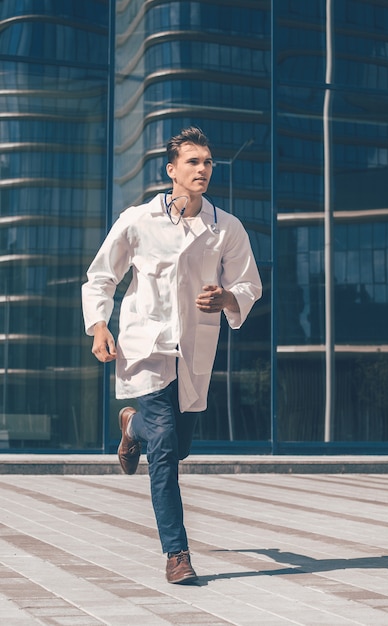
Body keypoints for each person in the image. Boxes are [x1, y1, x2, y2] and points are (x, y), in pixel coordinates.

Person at [82, 126, 262, 584]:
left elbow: (249, 286)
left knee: (178, 446)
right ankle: (177, 554)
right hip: (146, 347)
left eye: (207, 162)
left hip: (193, 352)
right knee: (164, 450)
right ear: (172, 170)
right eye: (193, 162)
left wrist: (226, 300)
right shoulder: (138, 220)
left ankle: (131, 424)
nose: (202, 169)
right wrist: (99, 324)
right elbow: (101, 277)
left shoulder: (226, 228)